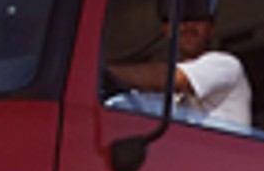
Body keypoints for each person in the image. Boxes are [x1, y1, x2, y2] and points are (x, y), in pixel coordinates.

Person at [105, 17, 253, 131]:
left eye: (197, 19)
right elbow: (132, 105)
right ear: (166, 29)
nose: (189, 26)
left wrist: (101, 72)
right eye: (181, 19)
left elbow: (169, 79)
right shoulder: (164, 98)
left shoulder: (226, 65)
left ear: (211, 28)